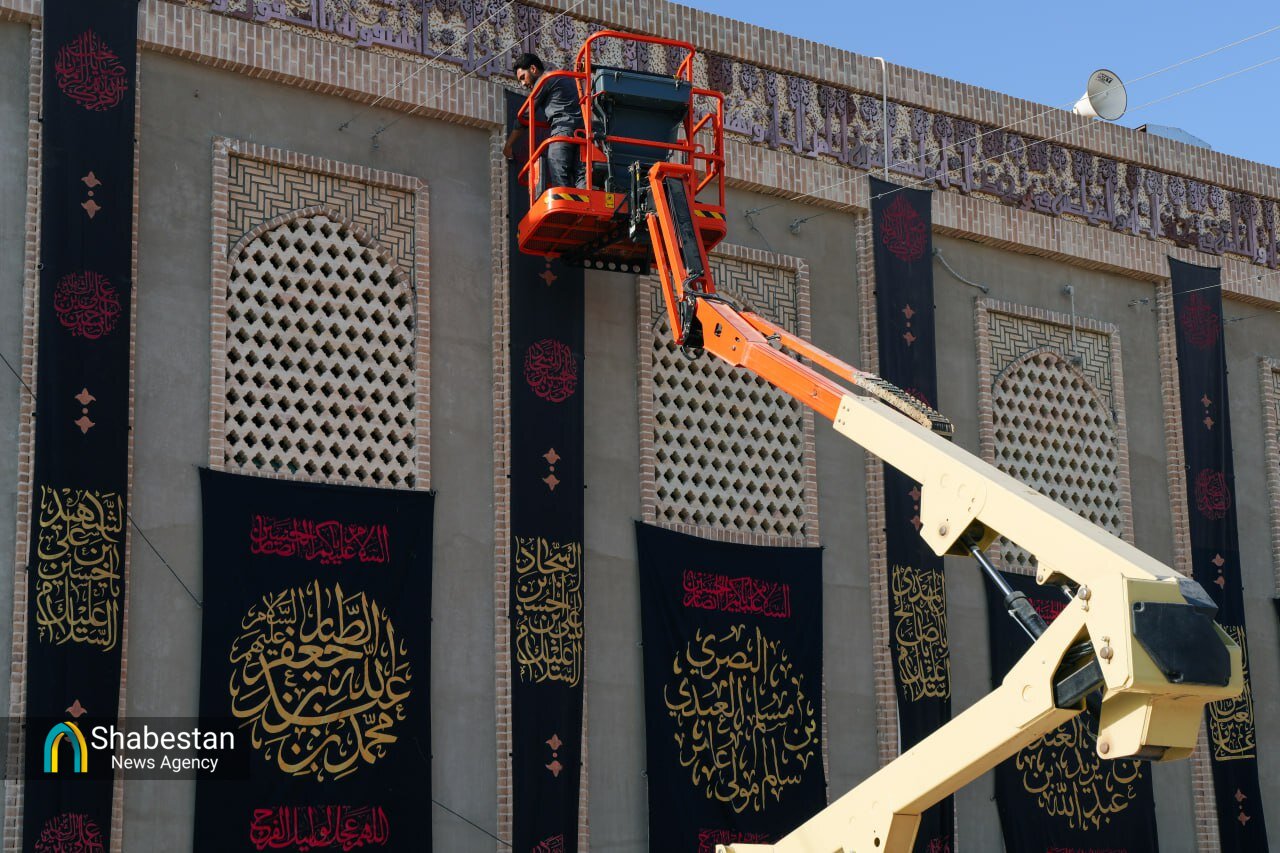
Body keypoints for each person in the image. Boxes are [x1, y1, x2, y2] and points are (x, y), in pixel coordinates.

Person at [503, 53, 585, 189]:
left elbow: (524, 117)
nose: (523, 84)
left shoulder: (545, 79)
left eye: (523, 77)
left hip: (563, 131)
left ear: (533, 69)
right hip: (583, 133)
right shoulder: (565, 78)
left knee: (559, 176)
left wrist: (508, 145)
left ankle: (565, 203)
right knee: (582, 178)